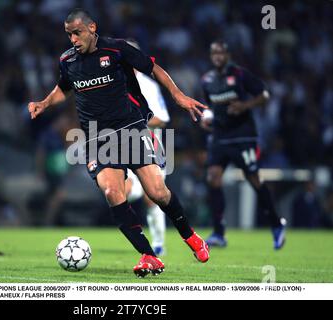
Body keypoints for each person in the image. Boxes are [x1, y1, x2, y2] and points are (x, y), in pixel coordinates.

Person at [28, 8, 209, 278]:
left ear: (92, 28)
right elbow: (63, 88)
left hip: (130, 129)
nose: (73, 40)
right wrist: (44, 102)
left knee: (157, 193)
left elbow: (154, 68)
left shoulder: (116, 49)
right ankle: (149, 255)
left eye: (77, 33)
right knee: (113, 193)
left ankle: (191, 237)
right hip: (97, 138)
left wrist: (179, 96)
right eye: (69, 35)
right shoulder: (68, 60)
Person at [200, 40, 286, 250]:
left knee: (254, 180)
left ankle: (276, 223)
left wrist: (245, 105)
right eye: (214, 53)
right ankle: (219, 233)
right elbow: (209, 107)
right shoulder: (207, 80)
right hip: (220, 137)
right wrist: (205, 118)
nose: (218, 56)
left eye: (221, 52)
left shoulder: (239, 74)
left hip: (242, 137)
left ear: (228, 55)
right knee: (213, 178)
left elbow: (264, 95)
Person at [124, 40, 171, 256]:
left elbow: (162, 119)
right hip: (124, 147)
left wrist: (134, 120)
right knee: (120, 192)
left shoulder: (148, 85)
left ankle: (159, 242)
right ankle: (138, 239)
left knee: (152, 196)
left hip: (153, 146)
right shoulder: (116, 83)